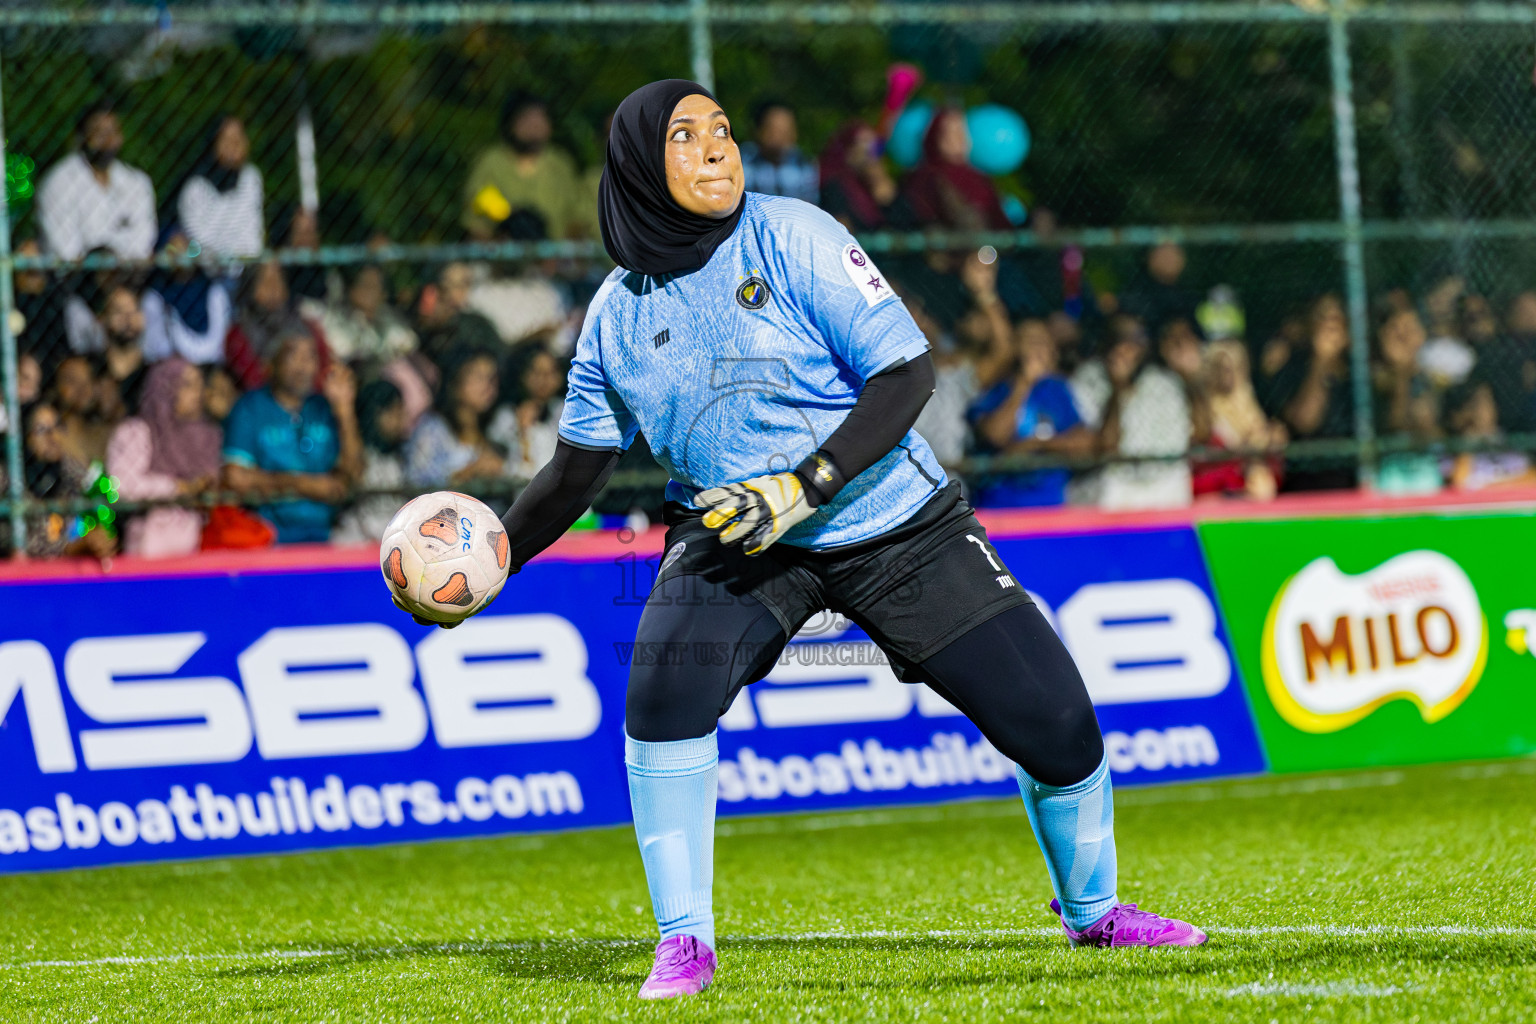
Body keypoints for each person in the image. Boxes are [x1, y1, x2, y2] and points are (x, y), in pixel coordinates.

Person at [396, 80, 1206, 1002]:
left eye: (724, 132)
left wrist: (807, 482)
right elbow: (576, 474)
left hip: (891, 522)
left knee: (1059, 727)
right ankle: (685, 942)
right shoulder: (618, 313)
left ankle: (1094, 912)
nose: (717, 150)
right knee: (662, 698)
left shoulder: (795, 234)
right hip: (737, 533)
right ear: (635, 169)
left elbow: (906, 373)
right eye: (687, 137)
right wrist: (494, 552)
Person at [221, 332, 361, 544]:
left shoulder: (323, 408)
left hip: (325, 534)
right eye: (293, 355)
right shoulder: (250, 408)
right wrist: (305, 485)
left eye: (310, 357)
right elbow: (235, 478)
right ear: (272, 363)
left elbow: (352, 474)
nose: (303, 366)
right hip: (266, 535)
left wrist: (345, 411)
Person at [966, 317, 1093, 507]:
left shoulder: (1058, 389)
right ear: (1015, 349)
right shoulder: (997, 389)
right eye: (1030, 341)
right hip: (1000, 504)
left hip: (1049, 503)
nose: (1038, 349)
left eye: (1043, 342)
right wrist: (1024, 383)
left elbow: (1085, 442)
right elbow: (994, 436)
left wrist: (1037, 445)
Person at [1069, 314, 1192, 509]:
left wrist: (1191, 378)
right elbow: (1107, 446)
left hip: (1165, 488)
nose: (1125, 348)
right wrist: (1117, 389)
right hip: (1113, 488)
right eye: (1119, 338)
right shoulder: (1088, 378)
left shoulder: (1163, 381)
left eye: (1135, 339)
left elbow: (1200, 433)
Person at [106, 357, 220, 557]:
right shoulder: (136, 431)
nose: (198, 394)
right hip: (148, 545)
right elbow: (121, 485)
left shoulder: (204, 435)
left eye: (199, 385)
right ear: (164, 387)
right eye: (187, 385)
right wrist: (176, 488)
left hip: (195, 545)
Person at [36, 102, 157, 261]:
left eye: (113, 132)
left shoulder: (137, 182)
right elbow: (65, 251)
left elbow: (143, 242)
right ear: (82, 138)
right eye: (99, 133)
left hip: (130, 277)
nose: (108, 140)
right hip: (76, 280)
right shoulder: (58, 182)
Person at [461, 92, 587, 241]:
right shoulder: (491, 163)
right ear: (510, 124)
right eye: (526, 119)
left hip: (555, 258)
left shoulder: (560, 164)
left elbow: (578, 219)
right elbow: (476, 221)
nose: (534, 126)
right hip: (502, 256)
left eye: (540, 119)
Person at [21, 401, 117, 561]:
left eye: (57, 427)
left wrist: (99, 539)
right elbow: (28, 542)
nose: (53, 437)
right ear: (27, 438)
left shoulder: (67, 466)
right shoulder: (11, 477)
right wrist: (75, 547)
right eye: (42, 430)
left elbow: (96, 486)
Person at [403, 346, 507, 487]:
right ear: (455, 381)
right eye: (479, 377)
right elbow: (417, 482)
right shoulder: (432, 429)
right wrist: (470, 472)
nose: (488, 386)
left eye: (492, 378)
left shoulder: (496, 428)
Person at [1194, 340, 1284, 501]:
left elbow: (1272, 472)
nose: (1227, 374)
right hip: (1215, 500)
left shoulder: (1253, 411)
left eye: (1234, 367)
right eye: (1221, 367)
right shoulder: (1200, 414)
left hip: (1251, 500)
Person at [225, 260, 330, 391]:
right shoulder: (239, 335)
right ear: (250, 288)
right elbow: (253, 382)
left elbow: (324, 371)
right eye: (264, 281)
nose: (273, 287)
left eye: (278, 279)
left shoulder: (305, 326)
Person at [900, 107, 1010, 231]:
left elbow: (999, 221)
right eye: (951, 132)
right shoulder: (926, 178)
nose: (960, 137)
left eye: (962, 130)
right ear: (936, 138)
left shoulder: (980, 178)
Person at [176, 114, 264, 259]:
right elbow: (199, 240)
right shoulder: (195, 187)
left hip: (249, 267)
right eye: (227, 139)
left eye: (239, 137)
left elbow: (253, 234)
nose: (235, 144)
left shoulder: (251, 177)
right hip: (210, 270)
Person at [334, 380, 411, 543]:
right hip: (356, 540)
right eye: (392, 411)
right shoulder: (357, 452)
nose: (400, 419)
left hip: (392, 542)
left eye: (401, 410)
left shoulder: (403, 454)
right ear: (373, 412)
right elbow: (353, 472)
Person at [141, 233, 234, 366]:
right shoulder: (154, 297)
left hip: (212, 366)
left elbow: (220, 345)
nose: (182, 256)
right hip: (171, 366)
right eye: (173, 251)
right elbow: (155, 349)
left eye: (188, 249)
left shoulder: (214, 291)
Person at [320, 263, 419, 371]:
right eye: (365, 284)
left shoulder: (386, 315)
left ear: (383, 294)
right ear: (352, 291)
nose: (370, 291)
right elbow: (342, 347)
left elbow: (409, 341)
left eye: (375, 285)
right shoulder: (340, 318)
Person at [489, 344, 565, 478]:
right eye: (536, 372)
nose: (544, 380)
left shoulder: (565, 410)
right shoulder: (506, 416)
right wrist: (523, 431)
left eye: (550, 373)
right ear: (523, 375)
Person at [818, 120, 907, 233]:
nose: (872, 156)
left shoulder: (879, 185)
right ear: (849, 152)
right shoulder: (836, 187)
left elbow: (905, 226)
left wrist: (888, 199)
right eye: (865, 148)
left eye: (877, 148)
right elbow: (841, 231)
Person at [738, 100, 818, 204]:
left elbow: (808, 206)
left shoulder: (804, 163)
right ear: (758, 130)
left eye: (786, 131)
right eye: (774, 131)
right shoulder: (742, 161)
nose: (781, 138)